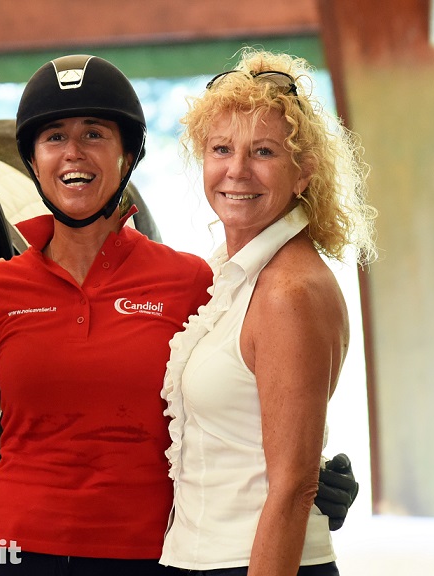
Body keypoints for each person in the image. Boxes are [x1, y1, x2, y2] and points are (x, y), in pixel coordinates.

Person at [0, 54, 359, 575]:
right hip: (16, 559)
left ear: (128, 155)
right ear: (32, 160)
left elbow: (242, 398)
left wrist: (309, 481)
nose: (73, 154)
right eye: (54, 138)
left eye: (94, 135)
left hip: (148, 558)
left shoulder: (195, 282)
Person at [158, 49, 377, 576]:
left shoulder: (289, 291)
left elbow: (294, 486)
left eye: (263, 152)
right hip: (206, 557)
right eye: (221, 148)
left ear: (302, 173)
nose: (236, 170)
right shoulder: (236, 277)